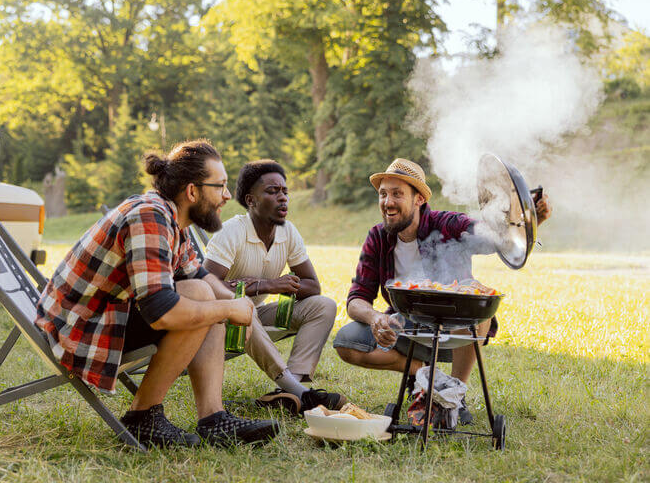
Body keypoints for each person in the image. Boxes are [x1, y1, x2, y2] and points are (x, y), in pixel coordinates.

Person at [35, 140, 279, 448]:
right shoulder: (149, 217)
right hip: (81, 331)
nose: (227, 197)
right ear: (192, 192)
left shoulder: (172, 218)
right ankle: (142, 418)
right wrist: (228, 312)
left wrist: (236, 304)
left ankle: (214, 420)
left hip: (106, 315)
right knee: (202, 298)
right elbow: (162, 311)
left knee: (206, 293)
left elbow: (198, 274)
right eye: (221, 187)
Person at [332, 158, 552, 423]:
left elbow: (490, 240)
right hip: (406, 326)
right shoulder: (378, 237)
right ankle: (425, 375)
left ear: (419, 199)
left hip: (454, 330)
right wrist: (376, 318)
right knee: (346, 342)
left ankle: (454, 395)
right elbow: (356, 299)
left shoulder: (447, 224)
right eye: (383, 194)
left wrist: (527, 219)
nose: (388, 202)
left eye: (397, 194)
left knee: (477, 303)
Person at [204, 160, 345, 415]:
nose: (283, 198)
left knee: (324, 306)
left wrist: (271, 287)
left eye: (285, 191)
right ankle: (301, 393)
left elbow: (313, 286)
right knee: (245, 308)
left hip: (255, 315)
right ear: (251, 200)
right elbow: (207, 287)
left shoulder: (288, 232)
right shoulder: (232, 232)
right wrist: (266, 285)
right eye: (272, 191)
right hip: (218, 322)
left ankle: (292, 391)